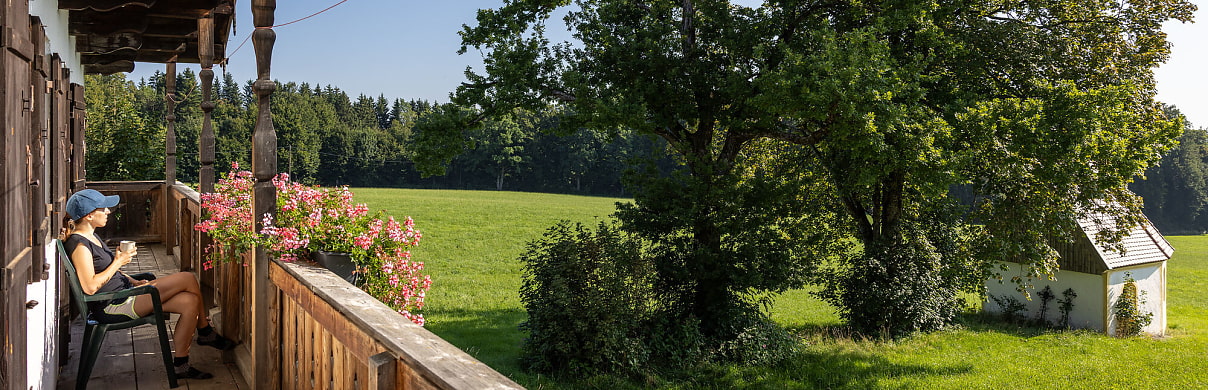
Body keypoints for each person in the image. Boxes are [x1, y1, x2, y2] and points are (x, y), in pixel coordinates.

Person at [63, 189, 235, 380]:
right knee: (187, 278)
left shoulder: (92, 237)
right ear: (89, 215)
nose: (108, 212)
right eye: (103, 208)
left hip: (126, 293)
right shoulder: (80, 246)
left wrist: (134, 280)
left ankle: (181, 364)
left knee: (190, 301)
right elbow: (90, 287)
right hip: (113, 305)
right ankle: (204, 331)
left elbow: (107, 272)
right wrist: (118, 262)